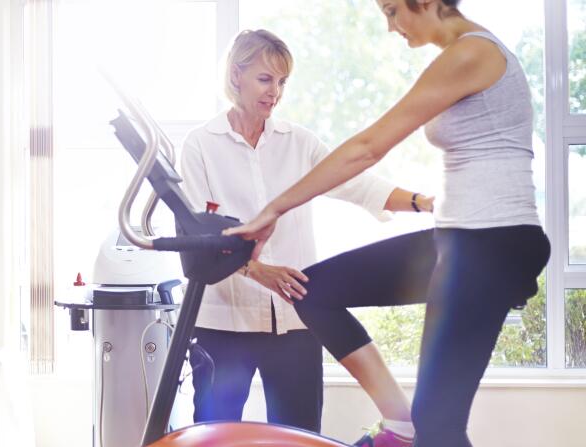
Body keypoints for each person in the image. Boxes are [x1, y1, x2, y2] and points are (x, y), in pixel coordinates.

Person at [226, 2, 551, 446]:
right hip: (457, 240)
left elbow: (368, 147)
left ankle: (414, 427)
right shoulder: (457, 55)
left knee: (439, 424)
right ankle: (400, 424)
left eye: (394, 10)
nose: (390, 26)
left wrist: (273, 210)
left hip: (493, 241)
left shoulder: (473, 53)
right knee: (315, 290)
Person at [180, 29, 434, 434]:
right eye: (265, 79)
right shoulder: (199, 146)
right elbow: (200, 236)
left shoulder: (299, 142)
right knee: (214, 435)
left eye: (282, 82)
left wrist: (424, 202)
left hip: (294, 321)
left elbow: (359, 184)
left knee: (300, 434)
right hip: (223, 324)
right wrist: (261, 272)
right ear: (235, 77)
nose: (275, 92)